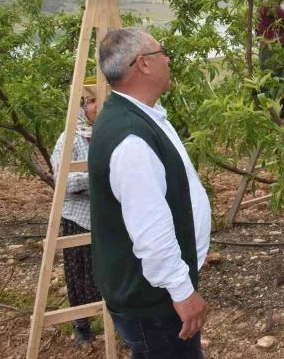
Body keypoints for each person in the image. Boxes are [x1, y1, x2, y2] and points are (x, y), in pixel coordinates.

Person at [88, 28, 212, 358]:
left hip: (153, 296)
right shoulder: (132, 140)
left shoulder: (138, 117)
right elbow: (150, 231)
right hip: (155, 302)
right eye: (162, 53)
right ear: (143, 64)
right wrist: (182, 291)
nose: (168, 59)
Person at [49, 78, 102, 345]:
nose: (96, 107)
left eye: (100, 100)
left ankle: (115, 319)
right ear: (82, 106)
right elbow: (64, 182)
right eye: (91, 101)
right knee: (79, 274)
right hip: (80, 218)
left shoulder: (110, 133)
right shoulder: (69, 137)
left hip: (108, 217)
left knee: (111, 272)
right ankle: (82, 326)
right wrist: (99, 178)